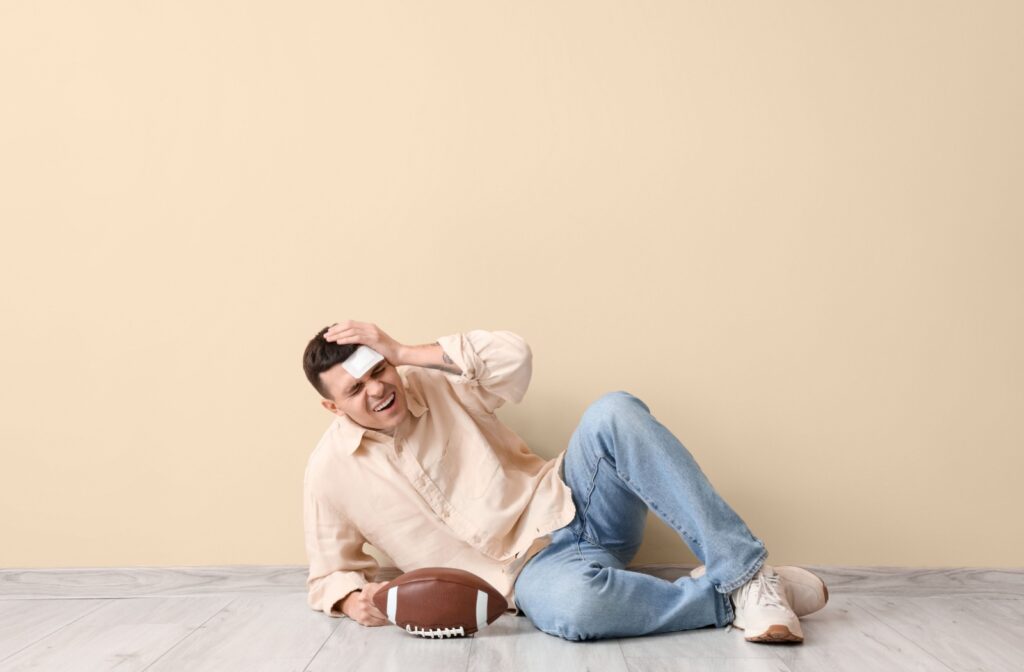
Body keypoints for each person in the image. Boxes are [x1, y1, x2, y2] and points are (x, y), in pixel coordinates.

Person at [301, 320, 828, 642]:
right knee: (575, 612)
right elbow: (329, 574)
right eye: (356, 388)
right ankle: (736, 599)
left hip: (576, 502)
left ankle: (746, 574)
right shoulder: (330, 472)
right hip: (530, 578)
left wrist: (407, 351)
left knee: (614, 410)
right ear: (331, 405)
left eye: (379, 371)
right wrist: (352, 601)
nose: (377, 389)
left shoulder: (431, 381)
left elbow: (514, 357)